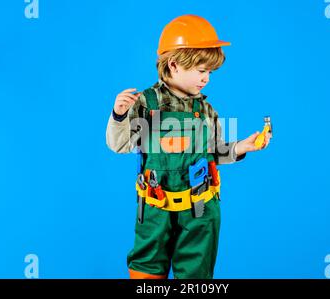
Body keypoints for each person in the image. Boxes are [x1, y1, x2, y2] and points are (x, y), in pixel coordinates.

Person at [106, 14, 271, 279]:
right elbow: (120, 145)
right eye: (201, 70)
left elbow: (214, 152)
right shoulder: (146, 104)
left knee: (196, 274)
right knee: (146, 268)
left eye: (209, 72)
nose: (206, 79)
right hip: (155, 208)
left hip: (199, 210)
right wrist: (119, 116)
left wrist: (241, 147)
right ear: (174, 65)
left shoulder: (205, 109)